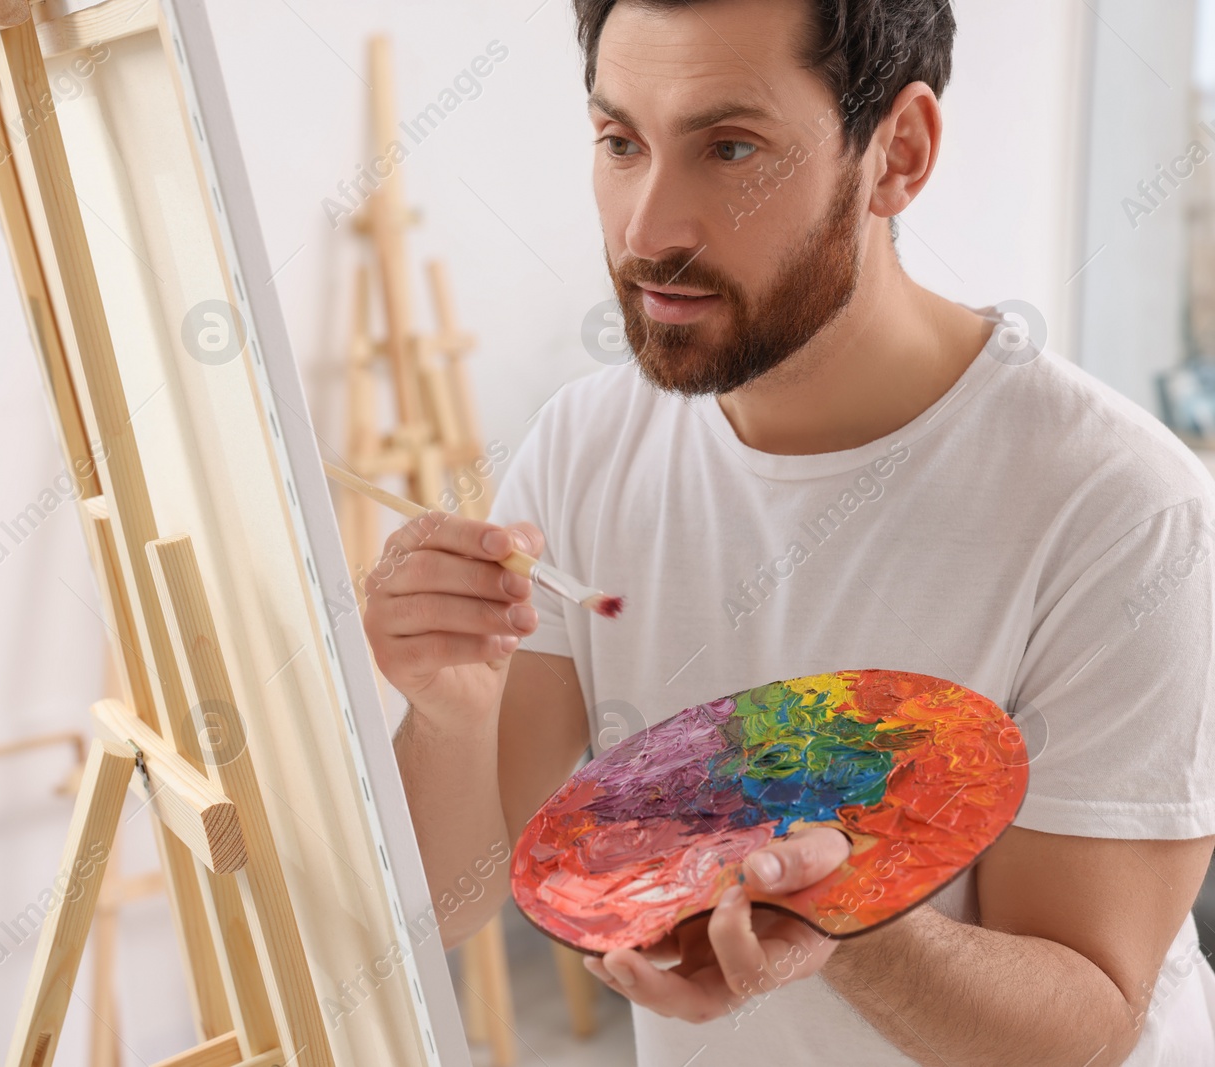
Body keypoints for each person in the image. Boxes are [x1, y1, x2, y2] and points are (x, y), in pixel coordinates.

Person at [368, 0, 1215, 1062]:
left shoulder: (1124, 508)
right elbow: (451, 901)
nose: (646, 231)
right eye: (621, 142)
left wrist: (833, 917)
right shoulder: (583, 446)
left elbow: (1086, 1026)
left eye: (730, 148)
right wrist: (447, 712)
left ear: (895, 156)